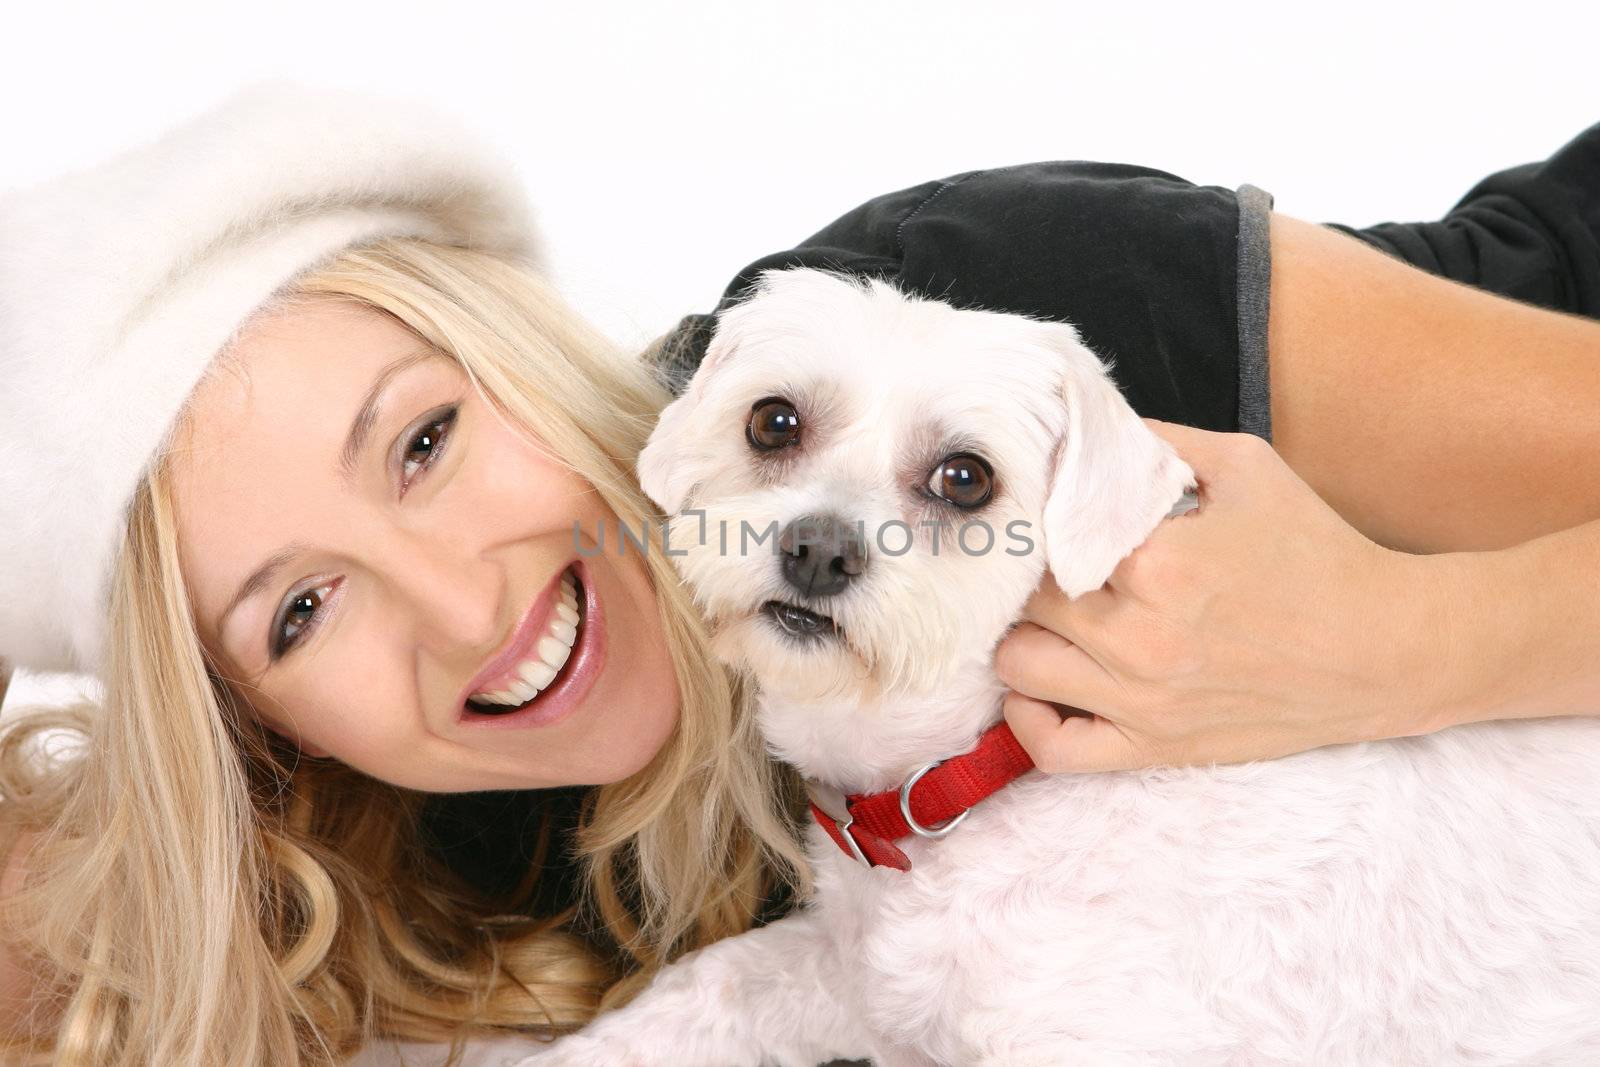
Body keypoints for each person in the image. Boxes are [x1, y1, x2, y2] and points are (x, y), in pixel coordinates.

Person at [0, 77, 1595, 1066]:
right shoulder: (479, 827)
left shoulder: (974, 322)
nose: (462, 603)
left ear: (522, 347)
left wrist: (1418, 638)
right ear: (259, 728)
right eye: (299, 609)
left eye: (420, 442)